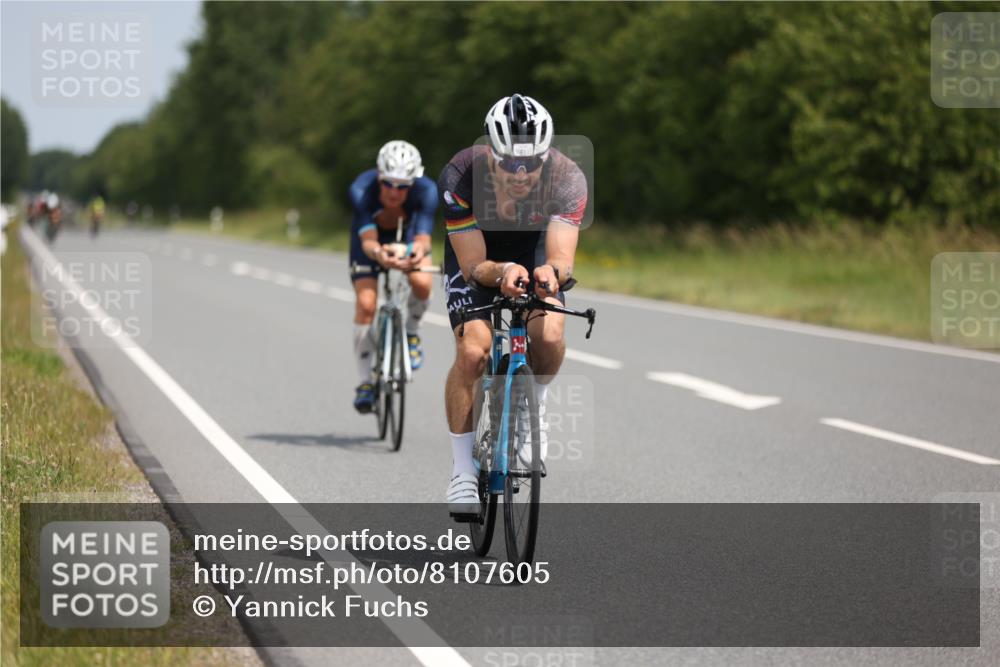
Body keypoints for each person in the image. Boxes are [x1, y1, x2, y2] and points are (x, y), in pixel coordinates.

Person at [439, 94, 588, 515]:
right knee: (473, 350)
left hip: (534, 247)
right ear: (492, 153)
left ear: (547, 156)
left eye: (531, 163)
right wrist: (502, 271)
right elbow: (472, 265)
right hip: (480, 255)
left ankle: (532, 406)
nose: (520, 174)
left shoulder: (567, 177)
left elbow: (560, 257)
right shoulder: (460, 174)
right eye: (508, 164)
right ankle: (462, 471)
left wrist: (551, 275)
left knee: (550, 332)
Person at [349, 140, 438, 414]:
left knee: (422, 282)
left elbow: (424, 240)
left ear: (413, 183)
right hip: (371, 243)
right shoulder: (361, 190)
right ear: (379, 176)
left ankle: (411, 333)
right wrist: (379, 255)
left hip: (407, 238)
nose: (394, 191)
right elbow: (368, 241)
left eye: (402, 186)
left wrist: (413, 253)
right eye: (389, 183)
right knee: (366, 304)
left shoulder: (427, 191)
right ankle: (365, 382)